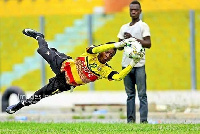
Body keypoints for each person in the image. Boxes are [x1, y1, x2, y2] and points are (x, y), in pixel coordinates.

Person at [6, 28, 142, 114]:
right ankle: (39, 36)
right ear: (104, 49)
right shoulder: (92, 52)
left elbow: (118, 77)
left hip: (64, 83)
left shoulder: (105, 70)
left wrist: (133, 63)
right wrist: (117, 45)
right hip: (63, 64)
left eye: (111, 55)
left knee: (39, 95)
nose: (108, 56)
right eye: (107, 52)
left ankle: (18, 105)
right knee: (42, 50)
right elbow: (96, 49)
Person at [117, 0, 151, 123]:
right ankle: (130, 121)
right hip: (126, 65)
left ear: (140, 11)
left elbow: (148, 43)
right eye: (131, 9)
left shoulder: (143, 26)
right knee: (130, 95)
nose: (133, 11)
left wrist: (134, 39)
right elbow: (120, 47)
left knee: (142, 95)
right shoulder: (124, 27)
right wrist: (124, 41)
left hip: (139, 65)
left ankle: (143, 121)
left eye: (136, 9)